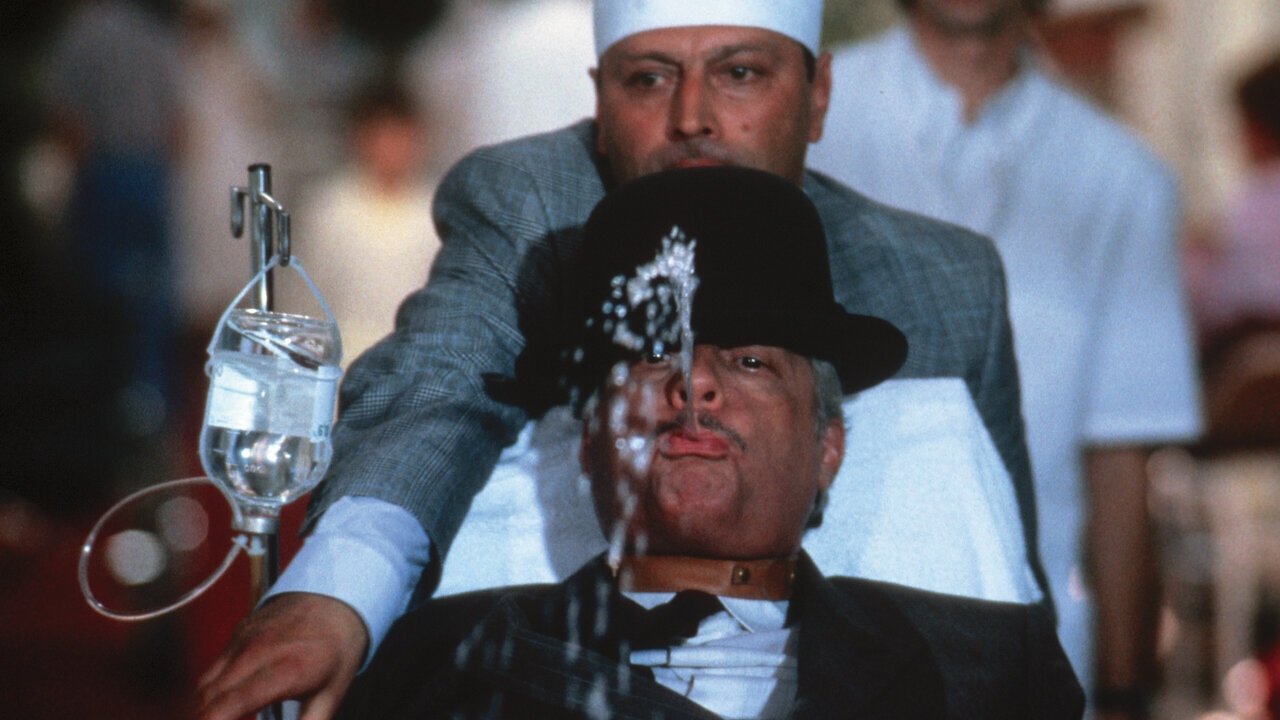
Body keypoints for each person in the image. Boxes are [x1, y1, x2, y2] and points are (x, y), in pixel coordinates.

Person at [196, 4, 1045, 719]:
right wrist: (337, 595)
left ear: (818, 95)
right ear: (601, 101)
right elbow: (436, 389)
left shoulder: (940, 281)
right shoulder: (536, 203)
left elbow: (999, 554)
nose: (692, 117)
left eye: (741, 73)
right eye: (648, 78)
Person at [336, 165, 1084, 720]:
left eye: (751, 362)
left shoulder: (991, 672)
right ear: (590, 444)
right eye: (652, 357)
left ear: (828, 447)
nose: (694, 384)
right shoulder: (436, 664)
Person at [806, 0, 1203, 715]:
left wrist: (1122, 690)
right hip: (806, 636)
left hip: (1031, 647)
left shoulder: (1120, 178)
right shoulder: (809, 124)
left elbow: (1119, 461)